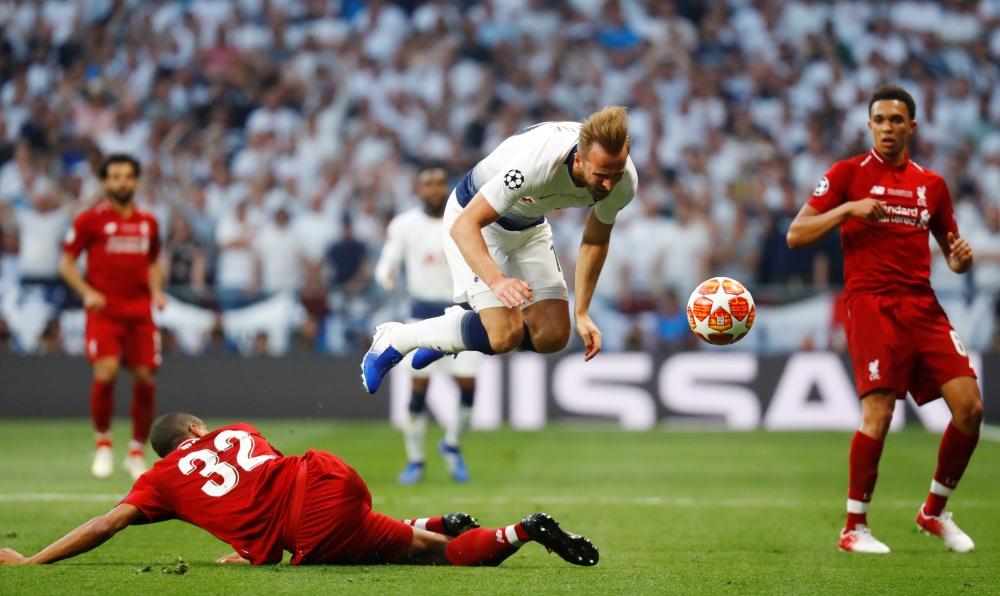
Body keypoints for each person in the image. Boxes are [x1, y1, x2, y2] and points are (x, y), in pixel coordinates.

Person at [0, 413, 598, 569]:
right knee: (385, 531)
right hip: (330, 475)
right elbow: (254, 485)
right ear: (197, 431)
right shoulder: (236, 431)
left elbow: (105, 525)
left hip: (311, 524)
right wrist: (246, 536)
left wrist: (33, 560)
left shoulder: (158, 481)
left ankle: (521, 530)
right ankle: (439, 518)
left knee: (428, 557)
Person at [787, 85, 983, 554]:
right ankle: (854, 528)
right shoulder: (846, 175)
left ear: (911, 126)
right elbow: (796, 234)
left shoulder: (931, 185)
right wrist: (847, 209)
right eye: (880, 119)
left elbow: (952, 254)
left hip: (922, 305)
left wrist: (961, 259)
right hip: (871, 303)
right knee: (879, 414)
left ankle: (933, 512)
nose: (888, 127)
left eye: (897, 120)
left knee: (971, 408)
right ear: (869, 125)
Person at [361, 106, 638, 394]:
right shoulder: (538, 162)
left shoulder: (623, 180)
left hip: (528, 224)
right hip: (476, 219)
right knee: (504, 335)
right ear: (579, 160)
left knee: (553, 336)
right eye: (601, 174)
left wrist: (582, 312)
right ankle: (397, 336)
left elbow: (595, 240)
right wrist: (497, 280)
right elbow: (465, 224)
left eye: (616, 174)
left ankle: (454, 332)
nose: (608, 184)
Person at [59, 154, 167, 481]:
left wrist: (158, 291)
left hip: (139, 313)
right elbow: (66, 264)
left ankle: (136, 452)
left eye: (128, 176)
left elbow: (151, 262)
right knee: (105, 372)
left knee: (144, 380)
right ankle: (103, 443)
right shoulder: (88, 220)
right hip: (104, 311)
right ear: (105, 182)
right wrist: (87, 292)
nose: (122, 182)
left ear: (136, 181)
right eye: (116, 176)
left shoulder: (148, 222)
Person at [374, 167, 482, 485]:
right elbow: (389, 257)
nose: (434, 189)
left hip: (462, 315)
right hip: (421, 317)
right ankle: (416, 460)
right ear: (418, 188)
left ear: (446, 186)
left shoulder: (466, 217)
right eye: (427, 184)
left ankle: (451, 444)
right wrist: (385, 274)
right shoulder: (405, 225)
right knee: (419, 389)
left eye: (439, 183)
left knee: (468, 387)